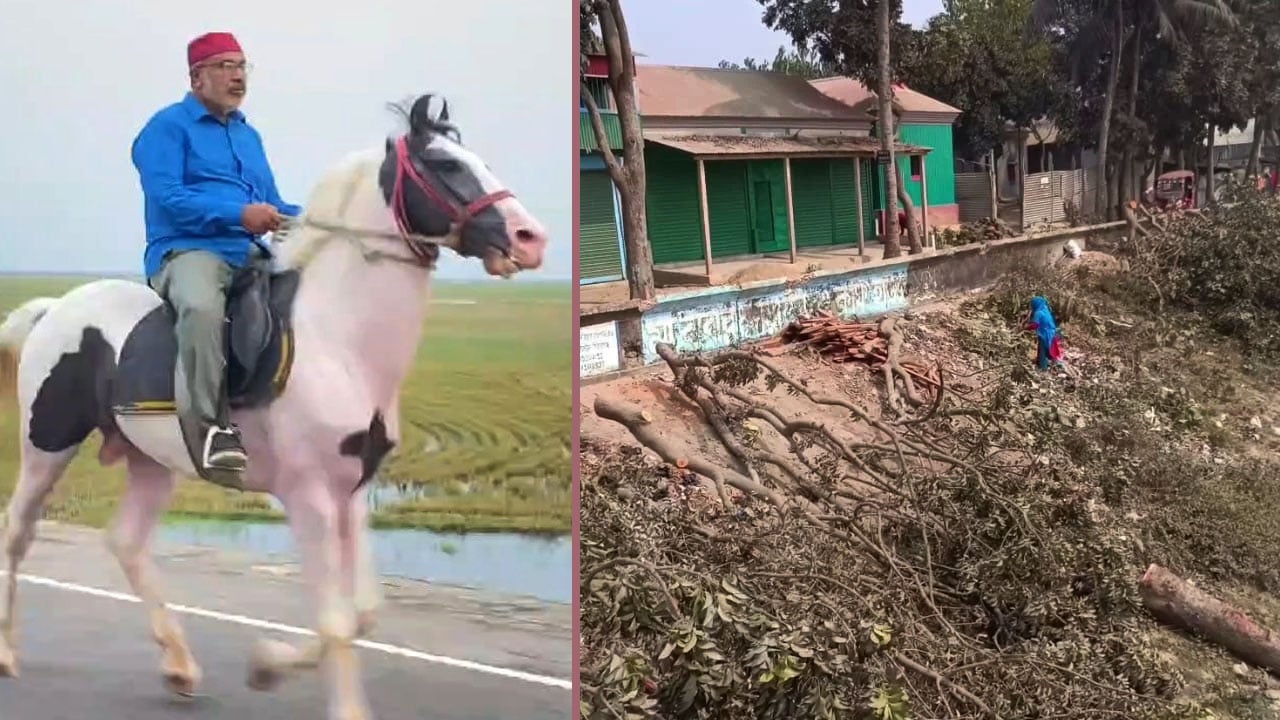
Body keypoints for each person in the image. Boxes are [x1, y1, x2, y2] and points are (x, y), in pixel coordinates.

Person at [130, 31, 301, 485]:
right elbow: (168, 197)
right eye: (225, 65)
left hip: (251, 251)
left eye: (242, 65)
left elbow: (273, 203)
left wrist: (319, 218)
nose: (237, 75)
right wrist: (238, 213)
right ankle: (209, 430)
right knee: (202, 308)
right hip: (188, 250)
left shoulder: (249, 136)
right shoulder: (165, 128)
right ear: (197, 77)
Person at [1024, 295, 1065, 371]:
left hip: (1044, 334)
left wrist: (1025, 328)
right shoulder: (1046, 311)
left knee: (1042, 351)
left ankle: (1043, 368)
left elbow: (1035, 325)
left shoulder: (1038, 313)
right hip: (1053, 333)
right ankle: (1057, 365)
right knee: (1051, 349)